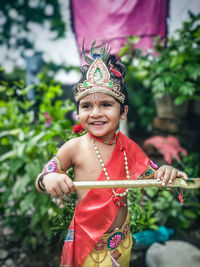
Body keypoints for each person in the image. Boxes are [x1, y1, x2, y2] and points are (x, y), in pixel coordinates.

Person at [35, 42, 188, 267]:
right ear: (78, 113)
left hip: (121, 242)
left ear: (123, 112)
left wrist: (166, 172)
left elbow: (154, 175)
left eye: (106, 104)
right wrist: (49, 178)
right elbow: (42, 178)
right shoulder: (73, 148)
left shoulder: (129, 148)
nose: (95, 113)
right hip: (87, 245)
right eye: (86, 106)